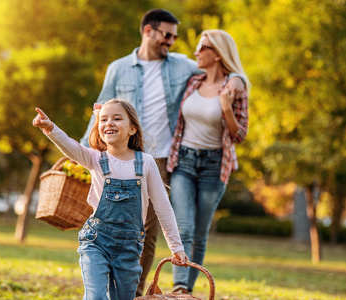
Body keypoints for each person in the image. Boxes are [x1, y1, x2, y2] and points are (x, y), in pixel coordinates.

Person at [80, 9, 246, 296]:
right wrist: (83, 150)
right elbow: (100, 108)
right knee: (112, 223)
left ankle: (134, 291)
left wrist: (239, 80)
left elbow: (221, 69)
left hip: (162, 158)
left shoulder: (182, 66)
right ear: (148, 31)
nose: (171, 41)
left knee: (145, 232)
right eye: (166, 35)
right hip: (120, 154)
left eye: (175, 36)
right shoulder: (118, 68)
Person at [33, 99, 188, 300]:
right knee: (96, 296)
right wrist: (50, 128)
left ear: (132, 129)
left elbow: (163, 207)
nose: (109, 123)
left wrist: (177, 247)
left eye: (117, 118)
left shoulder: (146, 163)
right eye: (103, 119)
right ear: (99, 129)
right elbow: (71, 146)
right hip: (96, 241)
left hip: (130, 248)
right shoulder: (95, 159)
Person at [166, 29, 251, 294]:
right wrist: (238, 78)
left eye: (202, 48)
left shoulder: (235, 89)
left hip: (215, 166)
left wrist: (226, 106)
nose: (196, 53)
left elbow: (240, 134)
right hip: (184, 161)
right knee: (184, 227)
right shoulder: (193, 81)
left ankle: (186, 293)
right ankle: (180, 286)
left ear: (217, 54)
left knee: (200, 233)